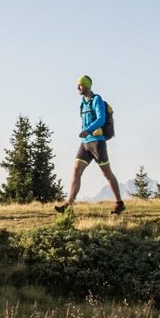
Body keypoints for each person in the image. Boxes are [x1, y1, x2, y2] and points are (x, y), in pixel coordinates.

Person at [57, 74, 125, 215]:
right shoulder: (82, 102)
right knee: (76, 170)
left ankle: (119, 203)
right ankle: (68, 204)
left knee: (106, 172)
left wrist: (88, 130)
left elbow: (101, 119)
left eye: (80, 85)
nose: (77, 87)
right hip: (85, 143)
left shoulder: (96, 100)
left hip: (97, 142)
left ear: (87, 86)